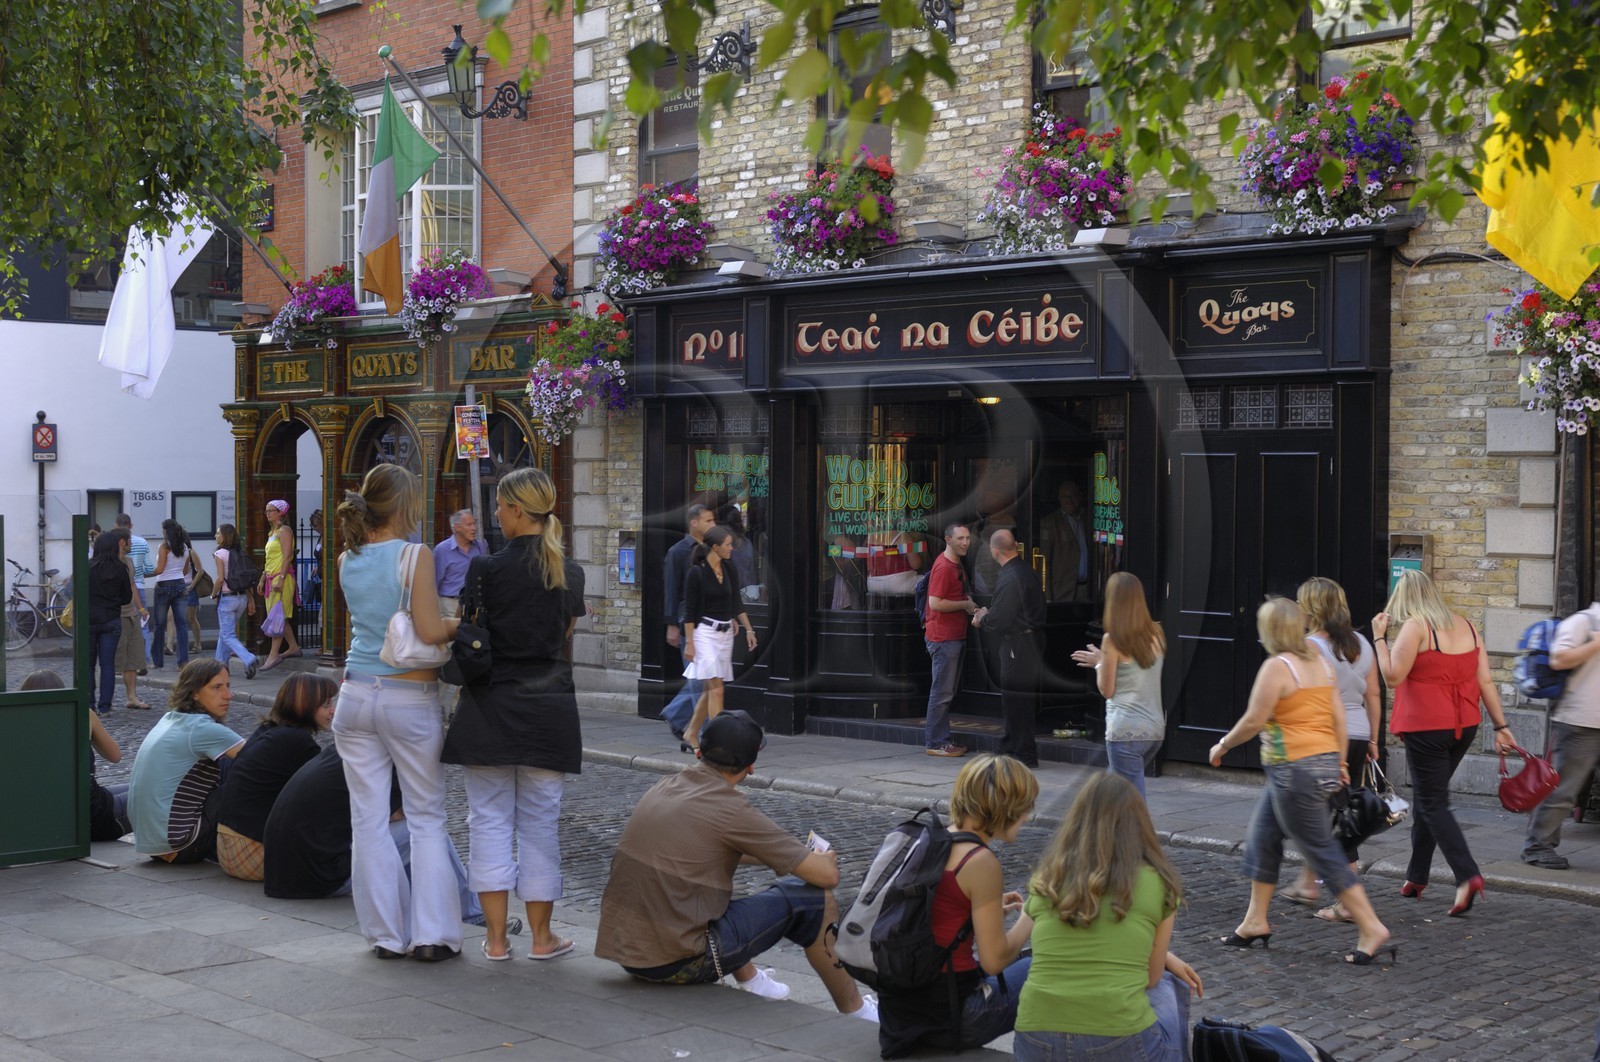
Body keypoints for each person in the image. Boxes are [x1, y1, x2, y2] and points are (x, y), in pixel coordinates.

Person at [594, 711, 877, 1021]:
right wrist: (816, 861)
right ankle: (856, 1010)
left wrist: (781, 856)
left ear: (700, 752)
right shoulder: (730, 809)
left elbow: (710, 851)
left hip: (629, 952)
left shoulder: (666, 785)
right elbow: (828, 876)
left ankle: (754, 982)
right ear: (751, 766)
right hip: (678, 963)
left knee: (708, 884)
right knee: (816, 901)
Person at [442, 467, 586, 963]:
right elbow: (562, 636)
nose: (496, 515)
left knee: (487, 821)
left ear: (518, 510)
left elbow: (471, 630)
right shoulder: (569, 571)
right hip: (549, 707)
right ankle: (543, 939)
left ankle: (498, 940)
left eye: (501, 506)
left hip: (490, 705)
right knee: (541, 825)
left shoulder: (486, 568)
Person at [1209, 597, 1393, 965]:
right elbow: (1338, 717)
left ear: (1270, 630)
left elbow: (1254, 720)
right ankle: (1254, 921)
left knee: (1321, 850)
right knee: (1262, 837)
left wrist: (1223, 745)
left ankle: (1372, 927)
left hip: (1295, 771)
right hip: (1315, 765)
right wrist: (1340, 761)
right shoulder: (1319, 663)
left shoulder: (1277, 667)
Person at [333, 464, 461, 961]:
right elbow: (428, 631)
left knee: (366, 821)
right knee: (426, 816)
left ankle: (385, 935)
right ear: (406, 505)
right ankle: (432, 935)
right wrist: (459, 622)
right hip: (408, 696)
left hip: (354, 694)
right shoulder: (415, 554)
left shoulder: (347, 558)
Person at [1014, 773, 1202, 1062]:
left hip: (1035, 1039)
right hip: (1119, 1039)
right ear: (1139, 824)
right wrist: (1164, 957)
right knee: (1167, 984)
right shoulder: (1161, 884)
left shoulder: (1049, 877)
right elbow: (1150, 978)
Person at [1373, 568, 1516, 914]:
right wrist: (1501, 726)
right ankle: (1416, 876)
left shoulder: (1416, 627)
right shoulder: (1468, 627)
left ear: (1403, 599)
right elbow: (1486, 681)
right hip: (1464, 726)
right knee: (1429, 798)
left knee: (1434, 802)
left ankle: (1467, 875)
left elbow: (1392, 676)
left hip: (1426, 727)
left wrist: (1378, 638)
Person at [877, 754, 1038, 1057]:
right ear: (1003, 807)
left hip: (900, 1016)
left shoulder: (931, 840)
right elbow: (994, 961)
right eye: (1024, 806)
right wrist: (1031, 915)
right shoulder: (980, 861)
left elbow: (936, 915)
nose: (1028, 816)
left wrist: (985, 911)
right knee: (1042, 965)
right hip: (954, 1019)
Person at [262, 745, 496, 935]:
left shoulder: (345, 753)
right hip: (322, 877)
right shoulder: (387, 764)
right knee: (428, 832)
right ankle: (472, 914)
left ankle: (422, 905)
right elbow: (403, 814)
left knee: (405, 832)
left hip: (283, 875)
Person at [1281, 577, 1382, 918]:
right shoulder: (1362, 643)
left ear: (1310, 609)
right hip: (1357, 733)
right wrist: (1372, 740)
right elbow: (1373, 695)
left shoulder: (1310, 646)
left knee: (1331, 817)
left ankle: (1348, 901)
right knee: (1332, 811)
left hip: (1325, 737)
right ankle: (1309, 881)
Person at [216, 673, 338, 881]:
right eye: (326, 704)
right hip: (254, 854)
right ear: (304, 705)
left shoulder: (269, 731)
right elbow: (327, 796)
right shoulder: (296, 741)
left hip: (229, 850)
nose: (333, 710)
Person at [127, 659, 246, 863]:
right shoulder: (201, 728)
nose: (228, 695)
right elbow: (262, 760)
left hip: (155, 844)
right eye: (217, 687)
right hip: (181, 844)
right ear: (194, 692)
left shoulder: (171, 718)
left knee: (228, 761)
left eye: (228, 686)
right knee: (251, 779)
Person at [1072, 572, 1167, 797]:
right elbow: (1137, 670)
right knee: (1108, 795)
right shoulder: (1157, 633)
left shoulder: (1112, 640)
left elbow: (1107, 690)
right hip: (1153, 730)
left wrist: (1099, 664)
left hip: (1125, 732)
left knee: (1130, 802)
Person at [1522, 600, 1600, 869]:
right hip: (1580, 721)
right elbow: (1558, 659)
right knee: (1564, 790)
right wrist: (1595, 644)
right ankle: (1537, 847)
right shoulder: (1584, 621)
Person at [23, 670, 131, 842]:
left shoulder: (17, 724)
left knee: (138, 786)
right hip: (93, 816)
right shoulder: (80, 715)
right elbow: (115, 756)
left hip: (50, 815)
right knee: (161, 793)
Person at [681, 526, 758, 753]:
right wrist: (690, 643)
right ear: (715, 547)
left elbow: (736, 602)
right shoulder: (696, 573)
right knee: (717, 690)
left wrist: (749, 630)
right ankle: (719, 744)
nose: (731, 548)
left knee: (711, 689)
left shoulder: (728, 567)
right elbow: (689, 612)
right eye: (727, 544)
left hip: (725, 635)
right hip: (704, 633)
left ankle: (691, 732)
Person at [974, 531, 1046, 767]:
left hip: (1019, 644)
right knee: (1017, 700)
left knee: (1017, 701)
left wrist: (982, 618)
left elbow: (1000, 620)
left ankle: (1025, 755)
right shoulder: (1025, 570)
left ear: (994, 551)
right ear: (1015, 546)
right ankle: (1008, 747)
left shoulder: (1011, 577)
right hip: (1029, 641)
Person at [926, 522, 981, 757]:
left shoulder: (955, 563)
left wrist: (966, 603)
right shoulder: (944, 567)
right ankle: (937, 742)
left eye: (967, 538)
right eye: (960, 538)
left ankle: (941, 739)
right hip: (944, 638)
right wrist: (964, 605)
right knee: (942, 693)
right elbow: (935, 603)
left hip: (952, 636)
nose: (965, 543)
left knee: (945, 692)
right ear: (948, 540)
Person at [660, 504, 715, 739]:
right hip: (688, 623)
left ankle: (675, 714)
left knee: (703, 677)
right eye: (708, 521)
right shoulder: (678, 552)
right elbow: (671, 590)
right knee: (699, 680)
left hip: (711, 622)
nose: (713, 525)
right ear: (694, 523)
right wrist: (672, 625)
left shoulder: (713, 548)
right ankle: (704, 733)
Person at [87, 529, 132, 715]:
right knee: (107, 664)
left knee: (88, 665)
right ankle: (105, 705)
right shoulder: (120, 568)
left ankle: (89, 705)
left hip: (89, 620)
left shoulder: (88, 567)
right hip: (111, 619)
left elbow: (72, 591)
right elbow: (127, 597)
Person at [211, 523, 259, 680]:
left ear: (225, 536)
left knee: (228, 635)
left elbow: (220, 579)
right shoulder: (240, 553)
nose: (216, 536)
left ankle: (248, 658)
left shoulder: (219, 553)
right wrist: (251, 600)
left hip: (227, 598)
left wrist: (213, 595)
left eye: (218, 533)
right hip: (241, 599)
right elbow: (247, 580)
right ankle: (220, 667)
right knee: (224, 634)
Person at [259, 498, 302, 670]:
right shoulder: (272, 533)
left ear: (280, 513)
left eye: (271, 510)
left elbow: (287, 556)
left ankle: (273, 655)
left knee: (277, 617)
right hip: (272, 578)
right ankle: (293, 647)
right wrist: (263, 578)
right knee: (278, 615)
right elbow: (270, 559)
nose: (267, 513)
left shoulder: (284, 531)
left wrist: (282, 578)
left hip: (280, 578)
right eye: (266, 510)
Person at [116, 523, 153, 711]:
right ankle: (103, 699)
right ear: (122, 542)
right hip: (117, 615)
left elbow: (132, 586)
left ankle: (132, 697)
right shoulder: (109, 563)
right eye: (129, 540)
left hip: (131, 614)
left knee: (133, 657)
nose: (132, 542)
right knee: (113, 658)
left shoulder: (129, 562)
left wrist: (141, 608)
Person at [149, 518, 193, 670]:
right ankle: (183, 662)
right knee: (182, 624)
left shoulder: (164, 546)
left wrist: (144, 573)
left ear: (166, 531)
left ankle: (157, 661)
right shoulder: (185, 547)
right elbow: (185, 571)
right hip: (180, 585)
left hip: (163, 586)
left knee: (159, 625)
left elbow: (159, 569)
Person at [1038, 480, 1089, 603]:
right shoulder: (1050, 523)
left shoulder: (1089, 518)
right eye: (1065, 496)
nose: (1069, 499)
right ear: (1059, 498)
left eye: (1073, 495)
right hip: (1061, 593)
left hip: (1088, 590)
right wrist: (1047, 597)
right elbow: (1045, 562)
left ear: (1080, 496)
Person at [432, 508, 485, 618]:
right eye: (469, 525)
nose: (474, 528)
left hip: (473, 606)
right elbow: (434, 581)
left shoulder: (480, 546)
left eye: (474, 524)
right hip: (449, 605)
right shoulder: (442, 550)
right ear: (457, 528)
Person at [115, 513, 155, 658]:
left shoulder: (113, 543)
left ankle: (125, 657)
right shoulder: (142, 542)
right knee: (142, 625)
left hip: (120, 589)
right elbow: (150, 568)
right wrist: (138, 573)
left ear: (116, 525)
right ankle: (145, 657)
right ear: (131, 525)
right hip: (139, 585)